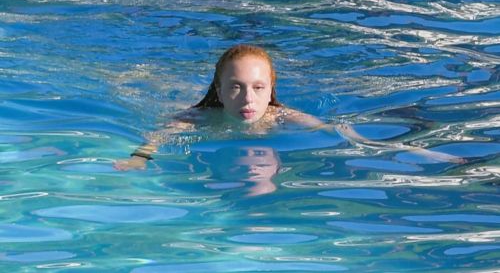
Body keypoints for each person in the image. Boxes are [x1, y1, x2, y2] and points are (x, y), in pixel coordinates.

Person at [115, 44, 462, 171]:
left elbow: (347, 136)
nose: (248, 100)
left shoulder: (284, 117)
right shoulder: (199, 117)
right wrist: (138, 159)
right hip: (178, 98)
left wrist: (428, 155)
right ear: (219, 92)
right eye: (235, 88)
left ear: (270, 92)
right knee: (154, 87)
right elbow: (157, 136)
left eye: (257, 88)